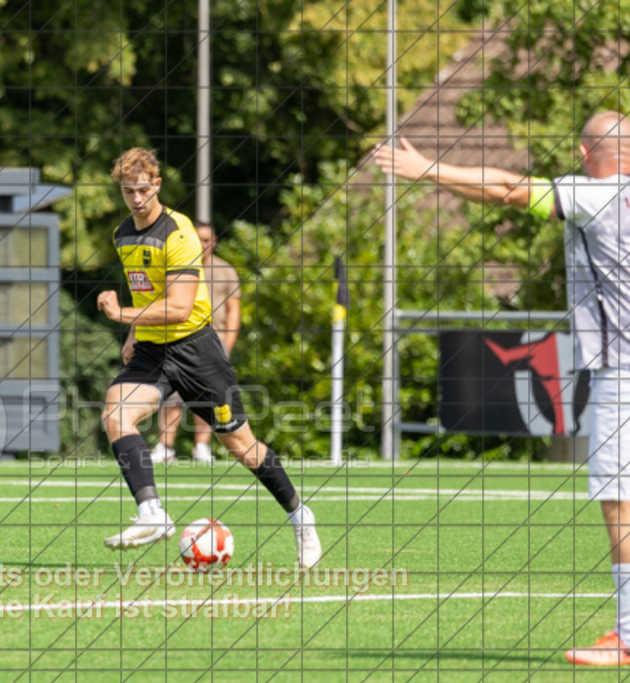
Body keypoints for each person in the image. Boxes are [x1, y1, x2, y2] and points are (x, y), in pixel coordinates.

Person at [374, 111, 630, 666]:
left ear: (584, 154)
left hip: (623, 373)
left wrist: (426, 169)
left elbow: (508, 189)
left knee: (618, 500)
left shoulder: (598, 195)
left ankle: (629, 635)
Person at [96, 147, 322, 568]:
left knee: (241, 446)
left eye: (143, 189)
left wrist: (120, 315)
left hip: (195, 349)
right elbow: (148, 291)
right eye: (128, 191)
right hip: (152, 349)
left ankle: (299, 515)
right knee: (116, 413)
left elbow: (180, 308)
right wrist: (134, 332)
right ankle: (152, 513)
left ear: (157, 185)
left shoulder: (178, 233)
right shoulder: (122, 234)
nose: (137, 199)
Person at [150, 221, 241, 465]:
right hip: (179, 340)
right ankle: (165, 447)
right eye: (197, 239)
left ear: (214, 241)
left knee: (208, 398)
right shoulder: (177, 266)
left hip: (213, 343)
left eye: (206, 240)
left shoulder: (226, 271)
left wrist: (227, 345)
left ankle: (201, 447)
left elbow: (233, 310)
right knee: (172, 396)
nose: (202, 244)